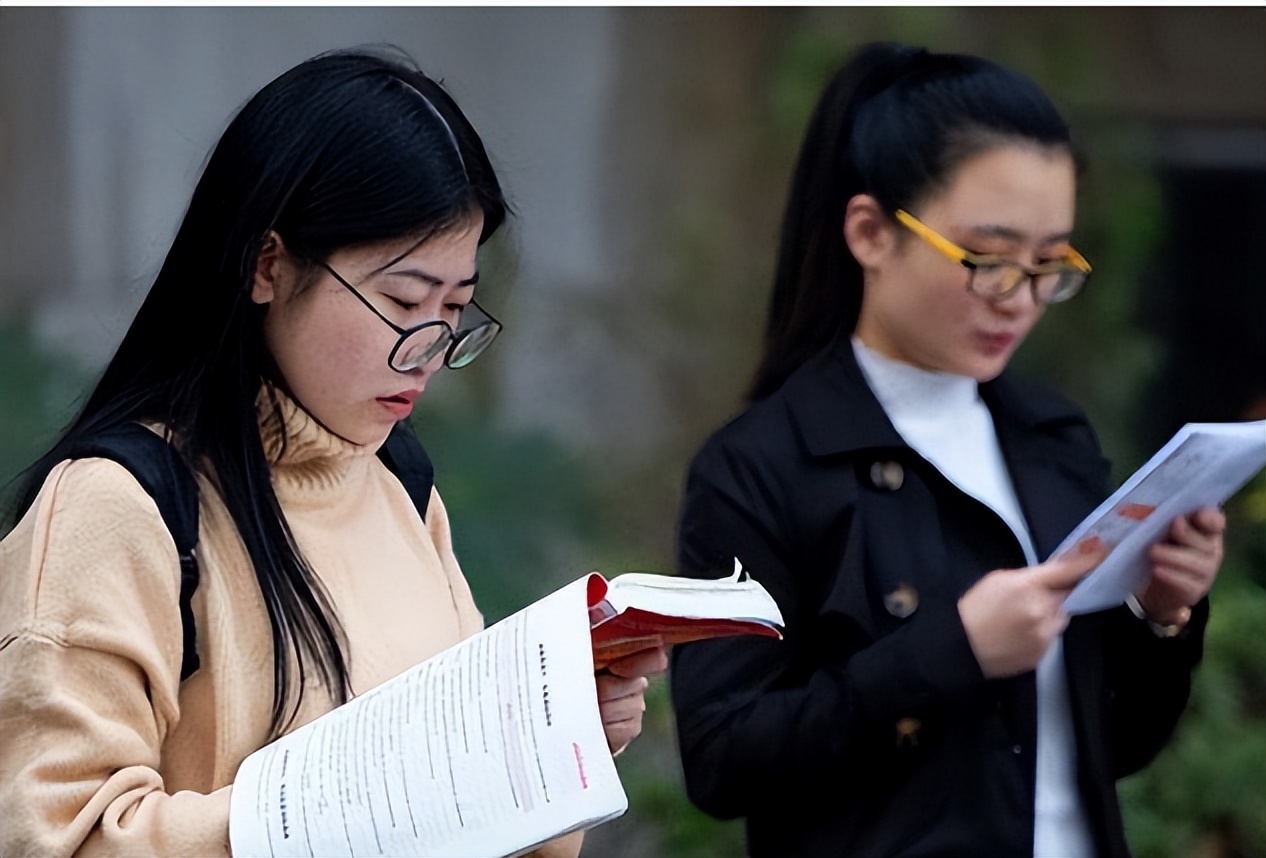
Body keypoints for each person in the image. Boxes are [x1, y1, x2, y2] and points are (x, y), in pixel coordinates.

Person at [0, 47, 665, 858]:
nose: (430, 349)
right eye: (403, 299)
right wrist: (347, 808)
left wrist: (553, 743)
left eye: (455, 307)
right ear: (268, 265)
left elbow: (466, 814)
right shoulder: (119, 506)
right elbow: (53, 837)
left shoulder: (401, 487)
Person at [669, 42, 1226, 858]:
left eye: (1049, 265)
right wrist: (950, 653)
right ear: (869, 232)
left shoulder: (1051, 438)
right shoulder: (763, 463)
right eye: (990, 260)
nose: (1022, 300)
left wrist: (1161, 614)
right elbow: (722, 761)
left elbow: (1115, 747)